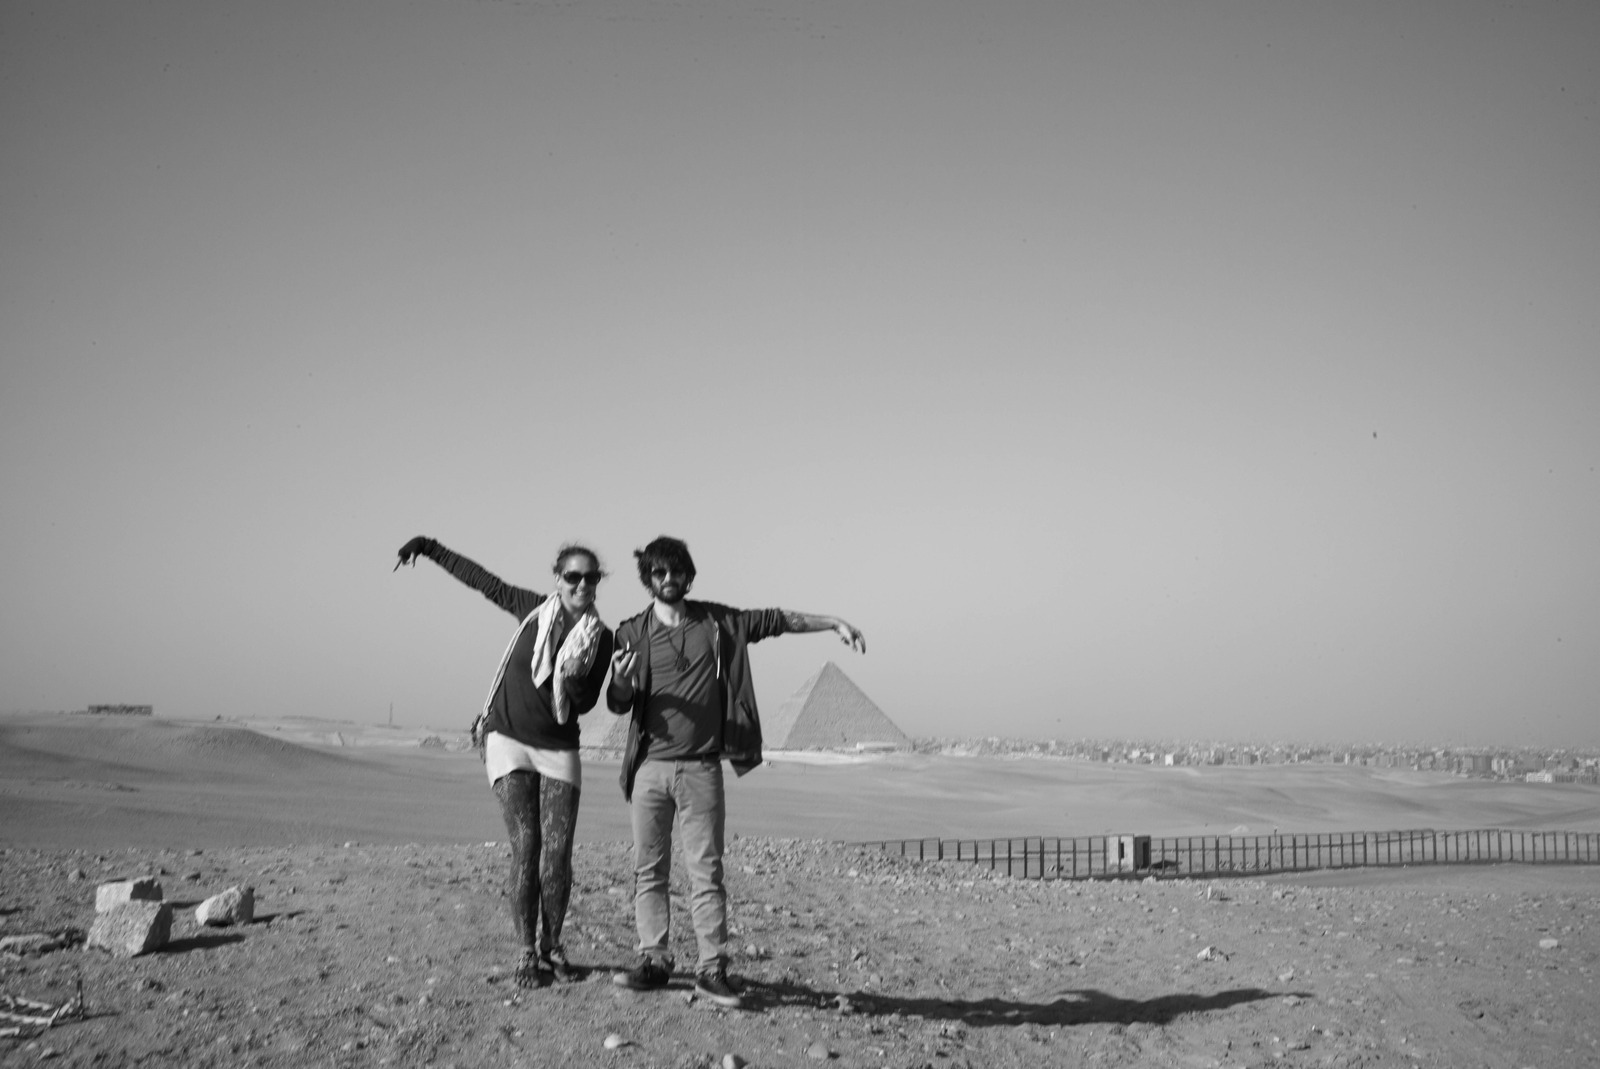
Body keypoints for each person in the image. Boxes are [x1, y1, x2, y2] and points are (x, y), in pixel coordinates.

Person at [605, 535, 865, 1008]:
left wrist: (833, 623)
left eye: (677, 571)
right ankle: (654, 961)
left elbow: (777, 620)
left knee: (706, 872)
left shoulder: (719, 623)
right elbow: (617, 702)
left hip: (702, 768)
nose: (669, 580)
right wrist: (621, 680)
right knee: (649, 870)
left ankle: (712, 968)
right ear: (648, 578)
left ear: (689, 574)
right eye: (659, 573)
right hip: (649, 770)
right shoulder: (630, 633)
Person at [395, 535, 614, 988]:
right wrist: (430, 548)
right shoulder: (531, 610)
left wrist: (571, 678)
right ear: (558, 579)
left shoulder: (601, 639)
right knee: (527, 844)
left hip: (559, 747)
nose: (582, 584)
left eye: (590, 577)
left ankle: (553, 946)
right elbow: (482, 581)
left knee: (557, 857)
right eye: (573, 576)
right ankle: (525, 953)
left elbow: (587, 701)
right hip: (507, 740)